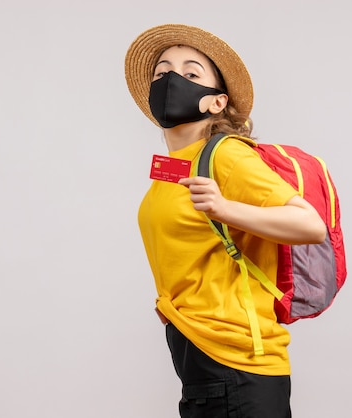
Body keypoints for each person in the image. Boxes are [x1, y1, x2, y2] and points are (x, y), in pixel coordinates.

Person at [124, 24, 326, 418]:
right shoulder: (171, 170)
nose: (171, 80)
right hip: (199, 359)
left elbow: (310, 226)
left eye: (191, 73)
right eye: (162, 72)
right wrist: (176, 302)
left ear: (216, 102)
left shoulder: (227, 156)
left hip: (239, 366)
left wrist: (223, 208)